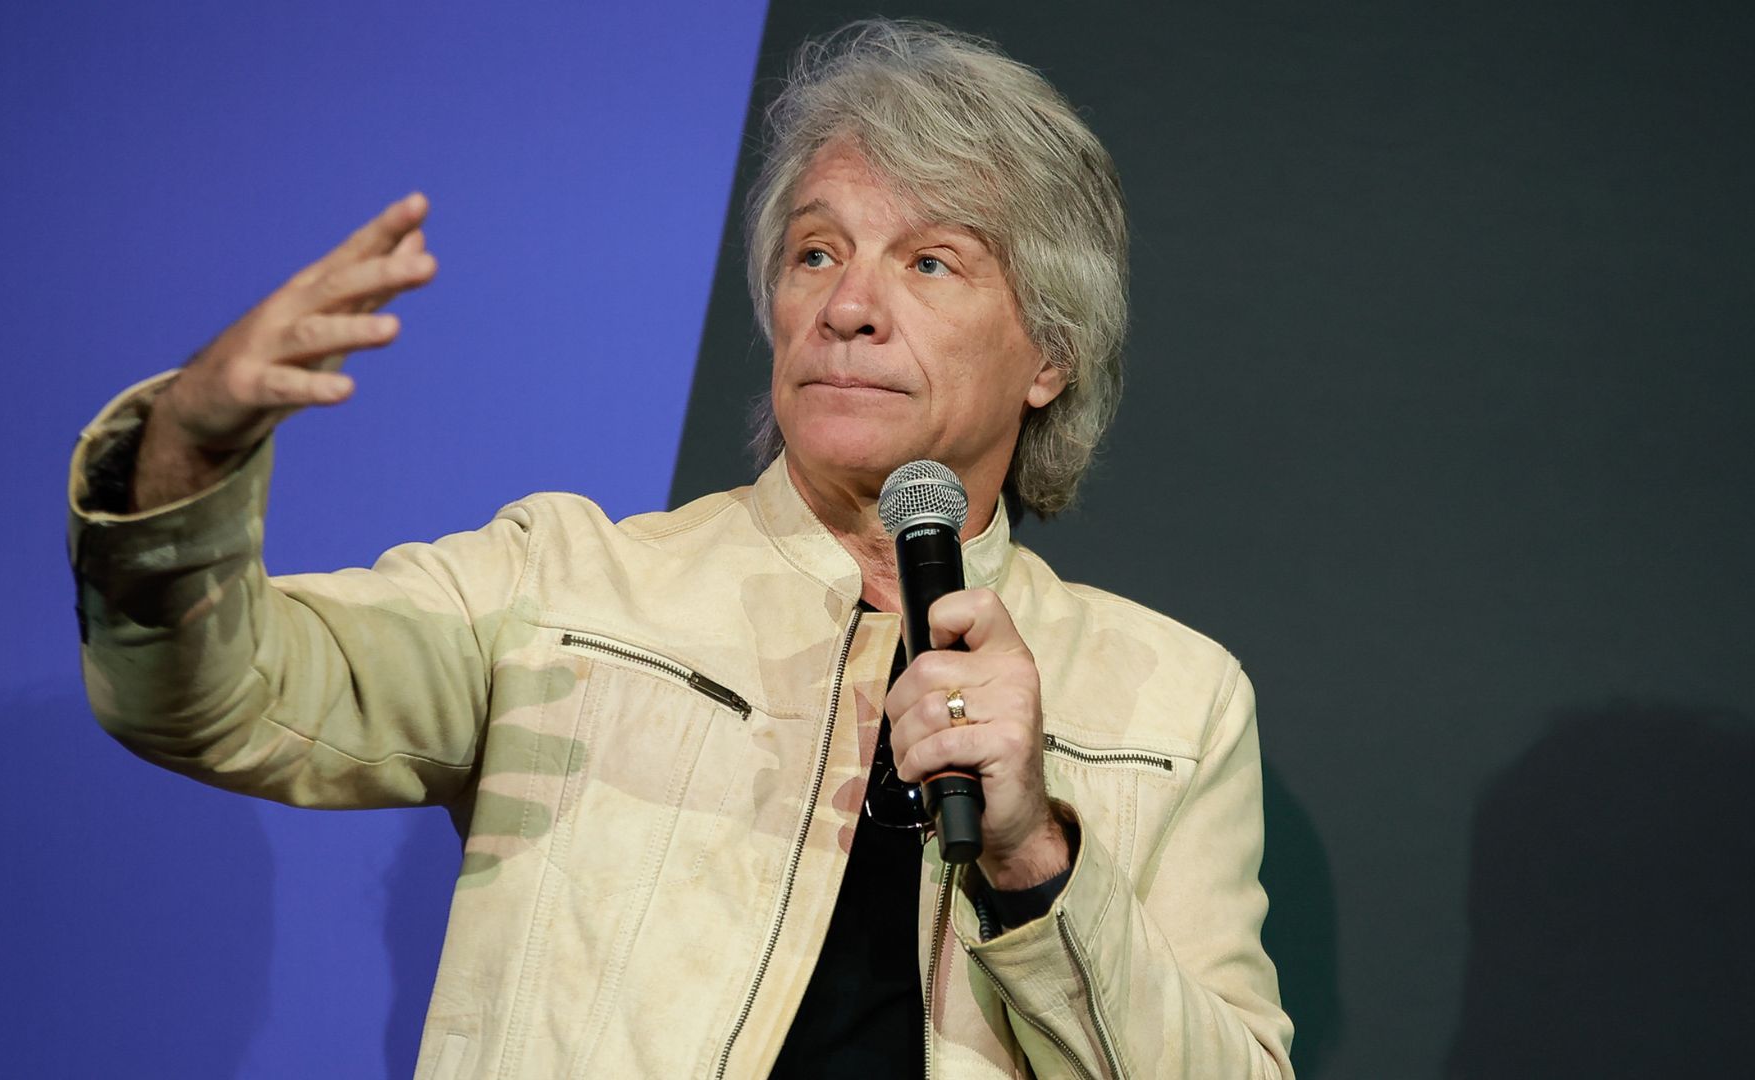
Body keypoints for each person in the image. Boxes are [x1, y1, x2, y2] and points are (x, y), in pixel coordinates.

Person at [68, 19, 1293, 1079]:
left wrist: (1033, 853)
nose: (847, 304)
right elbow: (213, 697)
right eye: (817, 251)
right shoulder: (563, 584)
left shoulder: (1175, 702)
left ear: (1049, 356)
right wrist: (187, 452)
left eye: (929, 261)